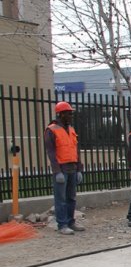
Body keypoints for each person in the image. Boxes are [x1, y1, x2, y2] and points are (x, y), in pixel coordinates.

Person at [45, 101, 85, 235]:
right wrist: (57, 171)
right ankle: (62, 224)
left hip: (72, 167)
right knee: (60, 198)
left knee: (71, 198)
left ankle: (71, 222)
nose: (70, 116)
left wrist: (79, 168)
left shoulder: (71, 130)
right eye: (68, 114)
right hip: (61, 169)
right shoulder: (51, 130)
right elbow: (51, 152)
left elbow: (75, 149)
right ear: (61, 114)